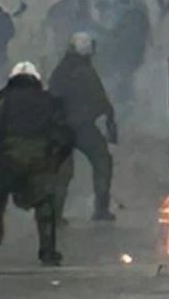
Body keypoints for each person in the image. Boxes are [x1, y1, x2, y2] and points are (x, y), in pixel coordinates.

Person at [0, 61, 74, 266]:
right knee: (45, 204)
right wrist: (54, 161)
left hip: (7, 159)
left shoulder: (1, 100)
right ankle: (48, 251)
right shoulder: (49, 101)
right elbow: (65, 134)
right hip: (39, 160)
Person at [48, 33, 117, 222]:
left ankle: (55, 214)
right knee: (102, 160)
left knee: (62, 173)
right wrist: (108, 118)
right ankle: (101, 209)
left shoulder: (60, 71)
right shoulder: (85, 71)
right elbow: (99, 99)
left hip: (60, 129)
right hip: (81, 127)